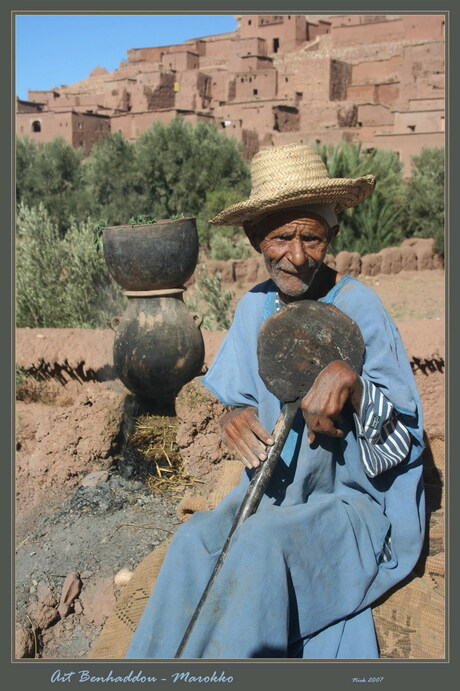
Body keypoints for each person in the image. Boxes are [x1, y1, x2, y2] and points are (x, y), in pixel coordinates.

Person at [125, 142, 425, 659]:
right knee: (193, 543)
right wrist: (232, 417)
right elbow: (236, 399)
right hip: (270, 497)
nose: (299, 255)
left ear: (332, 235)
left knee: (261, 547)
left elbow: (404, 440)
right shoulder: (253, 308)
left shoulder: (359, 307)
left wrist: (351, 386)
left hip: (351, 507)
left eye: (313, 237)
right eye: (282, 237)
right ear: (254, 239)